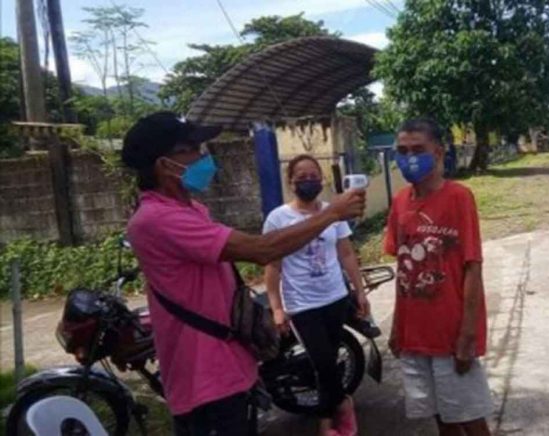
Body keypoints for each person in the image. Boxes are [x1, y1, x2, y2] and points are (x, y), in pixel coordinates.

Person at [121, 112, 366, 436]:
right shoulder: (157, 220)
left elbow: (343, 251)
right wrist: (333, 212)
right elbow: (262, 251)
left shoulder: (192, 210)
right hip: (204, 380)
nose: (202, 156)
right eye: (192, 149)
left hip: (229, 364)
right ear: (166, 164)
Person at [384, 118, 494, 436]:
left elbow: (472, 267)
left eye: (418, 149)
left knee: (470, 417)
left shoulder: (459, 197)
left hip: (450, 333)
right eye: (402, 151)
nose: (409, 156)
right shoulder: (400, 201)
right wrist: (396, 328)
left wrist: (468, 334)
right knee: (440, 416)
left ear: (438, 151)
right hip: (414, 335)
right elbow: (403, 271)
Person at [263, 154, 369, 436]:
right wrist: (276, 307)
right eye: (302, 177)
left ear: (322, 179)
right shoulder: (278, 218)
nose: (309, 181)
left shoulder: (335, 212)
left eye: (314, 176)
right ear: (290, 181)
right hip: (302, 304)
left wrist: (359, 291)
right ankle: (338, 410)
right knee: (322, 362)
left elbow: (346, 253)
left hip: (335, 298)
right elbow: (272, 265)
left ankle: (330, 417)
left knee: (329, 362)